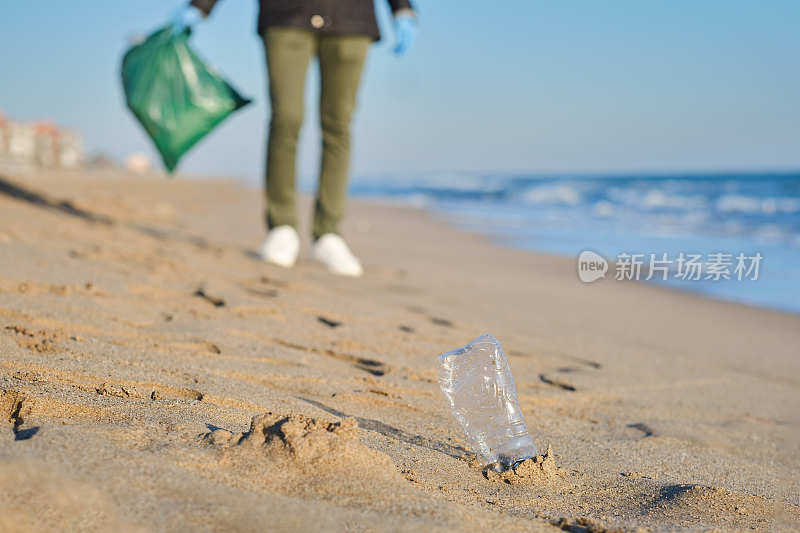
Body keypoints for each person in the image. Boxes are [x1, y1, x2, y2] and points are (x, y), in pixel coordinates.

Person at [175, 0, 418, 277]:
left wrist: (402, 8)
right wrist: (202, 5)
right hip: (286, 15)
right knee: (286, 119)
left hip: (351, 18)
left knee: (338, 126)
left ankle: (328, 233)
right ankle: (282, 226)